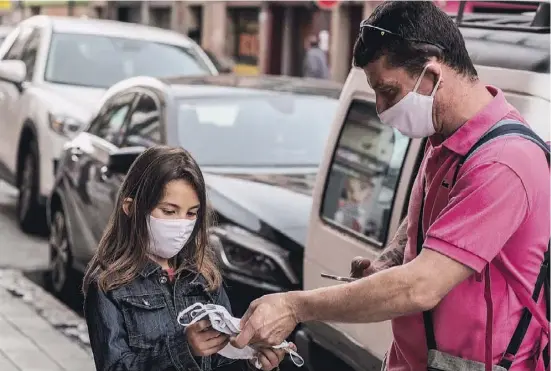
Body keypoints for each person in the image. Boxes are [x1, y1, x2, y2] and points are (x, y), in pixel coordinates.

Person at [231, 2, 550, 370]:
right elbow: (431, 216)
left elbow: (421, 286)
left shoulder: (503, 162)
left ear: (431, 73)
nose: (381, 109)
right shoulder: (446, 137)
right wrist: (392, 257)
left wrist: (294, 305)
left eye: (387, 91)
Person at [83, 146, 287, 371]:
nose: (181, 224)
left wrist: (254, 361)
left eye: (191, 213)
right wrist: (184, 349)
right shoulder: (109, 284)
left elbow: (224, 361)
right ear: (131, 208)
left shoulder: (203, 277)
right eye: (169, 211)